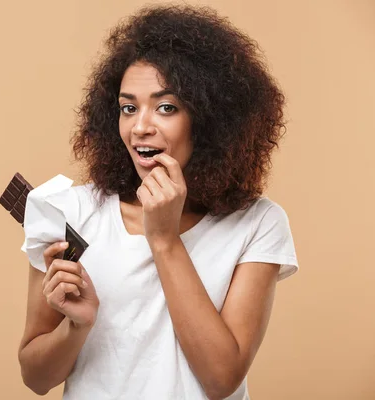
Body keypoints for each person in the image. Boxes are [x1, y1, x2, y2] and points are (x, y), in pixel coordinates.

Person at [17, 4, 298, 400]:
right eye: (128, 108)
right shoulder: (71, 212)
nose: (140, 127)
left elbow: (222, 379)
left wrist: (164, 239)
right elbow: (35, 377)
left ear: (210, 118)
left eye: (166, 107)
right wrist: (76, 327)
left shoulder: (258, 223)